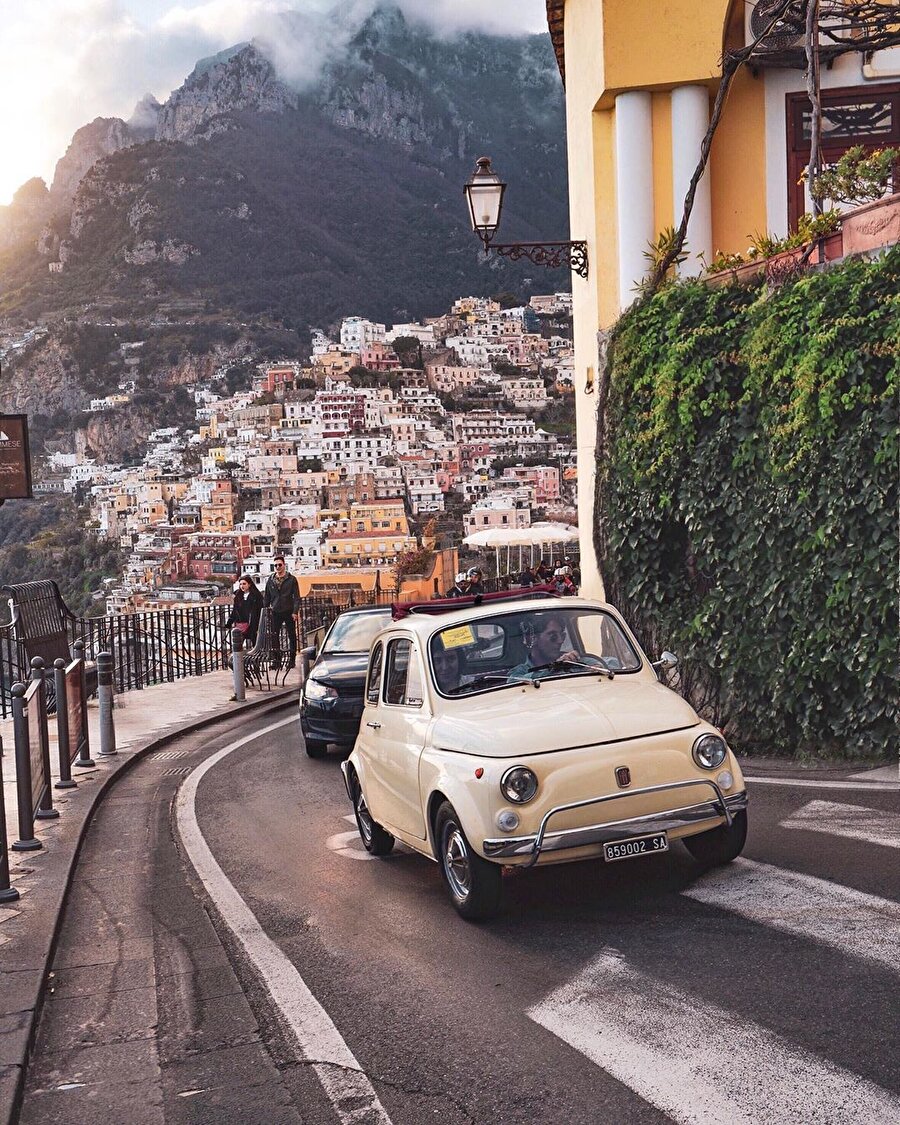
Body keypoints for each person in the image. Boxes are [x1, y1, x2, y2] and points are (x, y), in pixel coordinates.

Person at [507, 613, 604, 681]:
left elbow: (612, 663)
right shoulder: (520, 672)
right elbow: (514, 682)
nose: (560, 641)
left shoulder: (572, 661)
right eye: (553, 636)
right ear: (534, 639)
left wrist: (597, 668)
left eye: (562, 636)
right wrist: (554, 668)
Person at [264, 556, 301, 667]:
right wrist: (265, 610)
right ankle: (277, 660)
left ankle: (292, 660)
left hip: (288, 610)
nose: (278, 567)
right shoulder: (270, 580)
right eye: (275, 565)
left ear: (284, 565)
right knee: (274, 636)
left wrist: (295, 611)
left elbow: (296, 597)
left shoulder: (292, 579)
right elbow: (267, 597)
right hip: (275, 611)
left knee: (291, 635)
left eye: (280, 564)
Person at [226, 574, 263, 644]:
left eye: (244, 584)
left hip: (253, 624)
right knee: (238, 645)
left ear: (249, 584)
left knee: (255, 644)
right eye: (240, 584)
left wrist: (259, 625)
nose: (242, 586)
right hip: (241, 624)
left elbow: (260, 610)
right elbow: (235, 610)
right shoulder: (238, 595)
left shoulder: (256, 596)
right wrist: (229, 622)